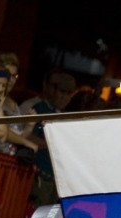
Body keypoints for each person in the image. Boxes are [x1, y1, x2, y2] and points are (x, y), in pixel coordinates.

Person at [21, 68, 75, 206]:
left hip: (56, 181)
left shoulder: (64, 116)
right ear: (53, 90)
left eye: (69, 93)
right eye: (62, 91)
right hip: (38, 176)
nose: (64, 97)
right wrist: (52, 144)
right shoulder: (39, 109)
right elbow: (26, 136)